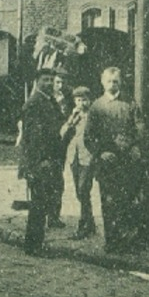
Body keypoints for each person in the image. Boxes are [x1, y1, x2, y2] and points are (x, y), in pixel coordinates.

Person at [85, 66, 149, 253]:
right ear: (102, 82)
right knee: (109, 201)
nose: (112, 84)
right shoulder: (97, 106)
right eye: (109, 81)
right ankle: (112, 241)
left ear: (120, 82)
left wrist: (136, 145)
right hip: (107, 161)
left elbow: (140, 128)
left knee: (128, 199)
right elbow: (89, 136)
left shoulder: (130, 103)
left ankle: (127, 239)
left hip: (128, 160)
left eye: (116, 81)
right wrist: (100, 153)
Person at [18, 67, 68, 255]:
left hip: (50, 160)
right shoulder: (34, 103)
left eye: (50, 80)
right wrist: (40, 161)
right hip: (39, 162)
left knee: (43, 202)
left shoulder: (51, 101)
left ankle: (36, 243)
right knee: (38, 204)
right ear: (37, 82)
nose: (48, 83)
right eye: (45, 80)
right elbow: (33, 138)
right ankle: (33, 245)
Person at [63, 85, 99, 239]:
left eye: (84, 100)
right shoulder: (74, 116)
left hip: (88, 156)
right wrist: (71, 120)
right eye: (78, 100)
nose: (81, 103)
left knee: (84, 189)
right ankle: (89, 223)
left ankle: (84, 224)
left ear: (89, 101)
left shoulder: (93, 116)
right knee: (79, 191)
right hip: (74, 156)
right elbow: (63, 133)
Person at [45, 71, 75, 229]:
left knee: (57, 180)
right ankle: (45, 214)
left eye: (62, 82)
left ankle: (53, 216)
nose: (60, 86)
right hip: (47, 145)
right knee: (46, 180)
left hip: (60, 146)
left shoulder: (68, 100)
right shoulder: (46, 99)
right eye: (57, 82)